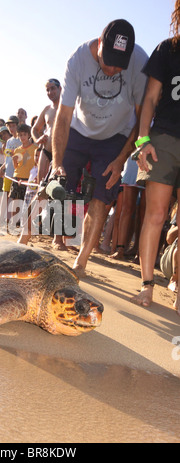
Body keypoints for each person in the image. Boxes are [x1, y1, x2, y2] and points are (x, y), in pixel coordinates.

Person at [51, 19, 148, 277]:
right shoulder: (78, 59)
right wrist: (56, 161)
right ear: (100, 44)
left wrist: (121, 159)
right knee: (58, 184)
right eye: (109, 62)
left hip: (116, 135)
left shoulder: (140, 62)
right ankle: (44, 239)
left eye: (121, 64)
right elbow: (63, 116)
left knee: (103, 195)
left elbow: (142, 118)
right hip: (79, 129)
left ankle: (81, 261)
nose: (115, 69)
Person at [130, 1, 180, 311]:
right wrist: (143, 139)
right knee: (156, 215)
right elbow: (149, 98)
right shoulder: (168, 49)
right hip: (162, 139)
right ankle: (147, 287)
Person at [31, 79, 61, 182]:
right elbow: (34, 129)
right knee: (41, 185)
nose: (50, 92)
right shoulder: (47, 109)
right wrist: (37, 139)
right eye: (47, 90)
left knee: (62, 187)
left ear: (60, 89)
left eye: (53, 88)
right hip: (47, 150)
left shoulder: (70, 107)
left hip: (64, 151)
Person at [9, 124, 37, 201]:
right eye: (20, 135)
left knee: (26, 203)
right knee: (13, 202)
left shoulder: (35, 148)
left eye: (24, 134)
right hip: (17, 178)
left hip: (29, 179)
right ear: (18, 136)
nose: (23, 137)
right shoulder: (17, 150)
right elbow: (16, 167)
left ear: (29, 135)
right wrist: (14, 161)